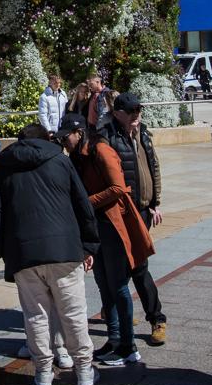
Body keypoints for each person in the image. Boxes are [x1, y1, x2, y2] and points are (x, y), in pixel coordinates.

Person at [0, 121, 100, 385]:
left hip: (23, 252)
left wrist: (0, 250)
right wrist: (89, 244)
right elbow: (81, 202)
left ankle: (43, 373)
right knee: (73, 313)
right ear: (46, 139)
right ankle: (83, 369)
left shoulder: (1, 167)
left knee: (35, 316)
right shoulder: (59, 161)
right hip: (64, 250)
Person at [59, 112, 153, 367]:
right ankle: (113, 339)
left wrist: (85, 203)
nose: (64, 142)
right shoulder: (77, 155)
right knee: (104, 284)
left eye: (66, 137)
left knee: (118, 285)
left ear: (79, 133)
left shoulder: (101, 150)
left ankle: (128, 345)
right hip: (95, 226)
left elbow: (118, 188)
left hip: (111, 224)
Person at [97, 93, 167, 347]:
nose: (137, 116)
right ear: (118, 113)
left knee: (135, 265)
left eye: (139, 111)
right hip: (123, 213)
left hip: (144, 210)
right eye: (132, 112)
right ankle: (153, 317)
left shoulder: (143, 134)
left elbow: (154, 167)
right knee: (136, 267)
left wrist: (156, 201)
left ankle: (122, 309)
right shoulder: (108, 137)